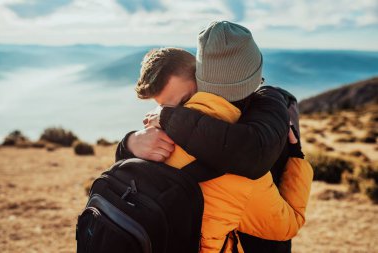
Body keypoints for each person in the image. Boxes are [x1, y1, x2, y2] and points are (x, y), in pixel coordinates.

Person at [116, 21, 312, 252]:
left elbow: (252, 151)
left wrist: (167, 119)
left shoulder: (266, 107)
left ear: (202, 77)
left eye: (182, 103)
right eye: (165, 108)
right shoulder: (161, 138)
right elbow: (288, 225)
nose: (179, 111)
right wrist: (129, 145)